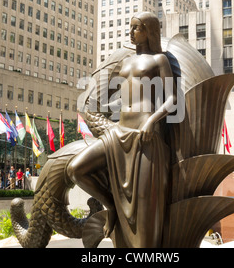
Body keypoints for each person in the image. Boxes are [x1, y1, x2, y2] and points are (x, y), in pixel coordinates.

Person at [68, 12, 177, 247]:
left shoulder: (160, 61)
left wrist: (152, 121)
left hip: (145, 137)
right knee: (76, 169)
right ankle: (111, 206)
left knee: (145, 211)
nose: (131, 32)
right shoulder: (125, 63)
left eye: (136, 28)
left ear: (148, 31)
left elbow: (172, 100)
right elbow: (121, 98)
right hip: (118, 132)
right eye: (131, 27)